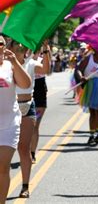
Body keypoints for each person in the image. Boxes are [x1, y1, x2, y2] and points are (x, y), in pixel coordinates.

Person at [9, 40, 50, 199]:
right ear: (10, 47)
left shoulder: (31, 63)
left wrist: (46, 50)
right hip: (9, 109)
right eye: (16, 44)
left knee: (23, 149)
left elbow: (46, 69)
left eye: (22, 45)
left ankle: (25, 186)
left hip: (27, 106)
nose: (20, 46)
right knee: (5, 149)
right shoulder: (5, 64)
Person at [0, 36, 31, 204]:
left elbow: (26, 84)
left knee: (2, 167)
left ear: (5, 47)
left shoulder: (10, 66)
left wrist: (15, 62)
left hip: (8, 125)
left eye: (1, 44)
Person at [30, 51, 49, 164]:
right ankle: (25, 151)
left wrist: (46, 50)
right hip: (25, 90)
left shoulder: (43, 57)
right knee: (25, 126)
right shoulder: (23, 56)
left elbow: (48, 70)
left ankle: (32, 153)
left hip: (40, 90)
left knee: (35, 125)